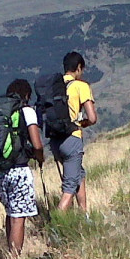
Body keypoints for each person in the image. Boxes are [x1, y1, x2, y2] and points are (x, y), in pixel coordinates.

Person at [0, 78, 45, 259]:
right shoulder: (26, 111)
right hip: (18, 169)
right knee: (19, 217)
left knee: (10, 213)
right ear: (26, 95)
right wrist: (40, 158)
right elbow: (37, 144)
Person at [51, 51, 97, 213]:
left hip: (55, 140)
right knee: (69, 187)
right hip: (72, 138)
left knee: (79, 174)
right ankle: (57, 226)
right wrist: (81, 123)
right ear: (78, 68)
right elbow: (92, 118)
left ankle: (83, 214)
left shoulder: (54, 86)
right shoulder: (81, 86)